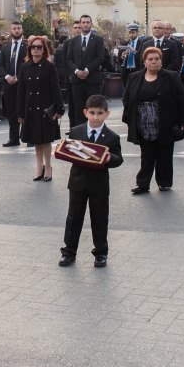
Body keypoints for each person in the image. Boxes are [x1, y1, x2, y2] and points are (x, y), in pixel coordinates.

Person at [59, 94, 123, 268]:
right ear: (85, 112)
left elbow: (119, 158)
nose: (96, 117)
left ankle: (101, 253)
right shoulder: (76, 131)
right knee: (73, 218)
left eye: (100, 113)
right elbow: (69, 151)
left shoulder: (112, 137)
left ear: (107, 114)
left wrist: (110, 158)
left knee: (100, 219)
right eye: (92, 113)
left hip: (99, 185)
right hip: (77, 183)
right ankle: (69, 252)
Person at [122, 46, 184, 194]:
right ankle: (142, 184)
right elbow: (127, 98)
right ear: (144, 62)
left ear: (161, 61)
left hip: (166, 122)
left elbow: (183, 100)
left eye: (157, 59)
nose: (154, 62)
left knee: (164, 155)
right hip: (143, 123)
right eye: (150, 59)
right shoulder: (134, 77)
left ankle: (164, 182)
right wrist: (130, 119)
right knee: (146, 156)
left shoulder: (171, 77)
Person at [17, 36, 65, 182]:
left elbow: (55, 88)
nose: (36, 49)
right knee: (36, 140)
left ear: (44, 49)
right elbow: (20, 91)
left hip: (45, 107)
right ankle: (39, 167)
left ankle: (48, 167)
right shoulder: (24, 67)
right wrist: (20, 113)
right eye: (33, 47)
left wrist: (59, 108)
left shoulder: (49, 66)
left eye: (39, 47)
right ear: (29, 49)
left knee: (45, 140)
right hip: (30, 107)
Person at [64, 15, 106, 128]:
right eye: (83, 22)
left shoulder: (98, 40)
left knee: (94, 109)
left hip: (92, 80)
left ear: (91, 24)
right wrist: (77, 71)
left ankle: (94, 135)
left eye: (88, 22)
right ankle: (80, 137)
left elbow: (100, 57)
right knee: (79, 110)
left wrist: (87, 70)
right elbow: (68, 59)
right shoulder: (73, 41)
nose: (85, 24)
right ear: (80, 24)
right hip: (77, 81)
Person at [0, 20, 26, 146]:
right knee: (11, 112)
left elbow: (28, 65)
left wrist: (19, 78)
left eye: (18, 28)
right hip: (9, 85)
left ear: (22, 30)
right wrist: (7, 76)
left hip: (23, 84)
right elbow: (1, 65)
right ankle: (13, 138)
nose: (16, 30)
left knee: (25, 111)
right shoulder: (5, 47)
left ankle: (28, 137)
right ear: (10, 30)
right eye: (14, 28)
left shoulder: (27, 47)